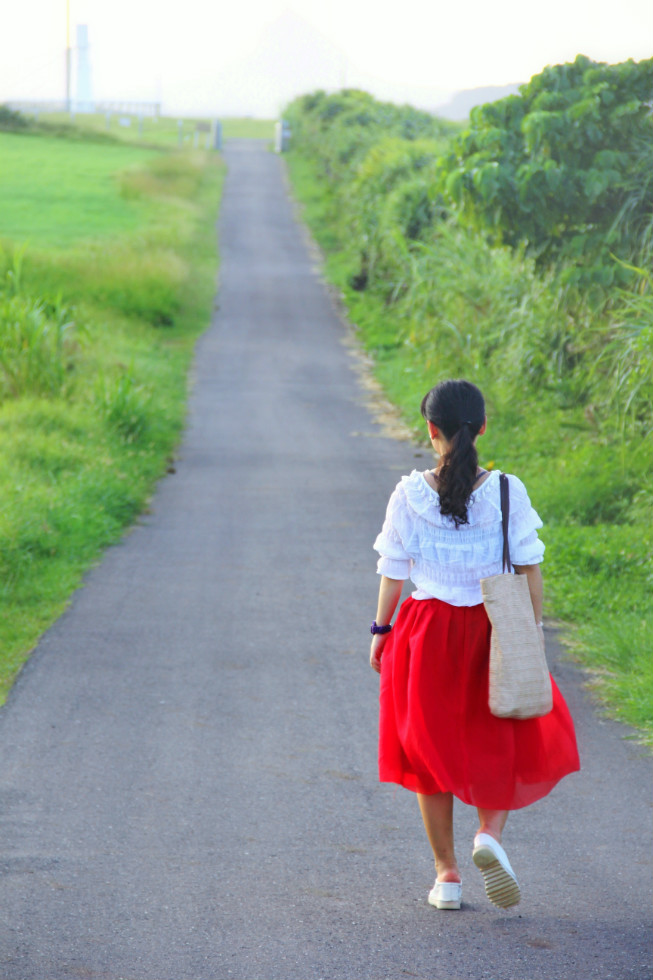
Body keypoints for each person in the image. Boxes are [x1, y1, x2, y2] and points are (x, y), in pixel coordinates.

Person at [370, 379, 580, 911]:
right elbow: (530, 567)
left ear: (431, 431)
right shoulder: (507, 491)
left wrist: (380, 632)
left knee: (427, 751)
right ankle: (489, 836)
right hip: (493, 628)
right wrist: (530, 633)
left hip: (425, 631)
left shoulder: (408, 493)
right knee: (497, 736)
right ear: (481, 428)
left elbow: (393, 572)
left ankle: (447, 877)